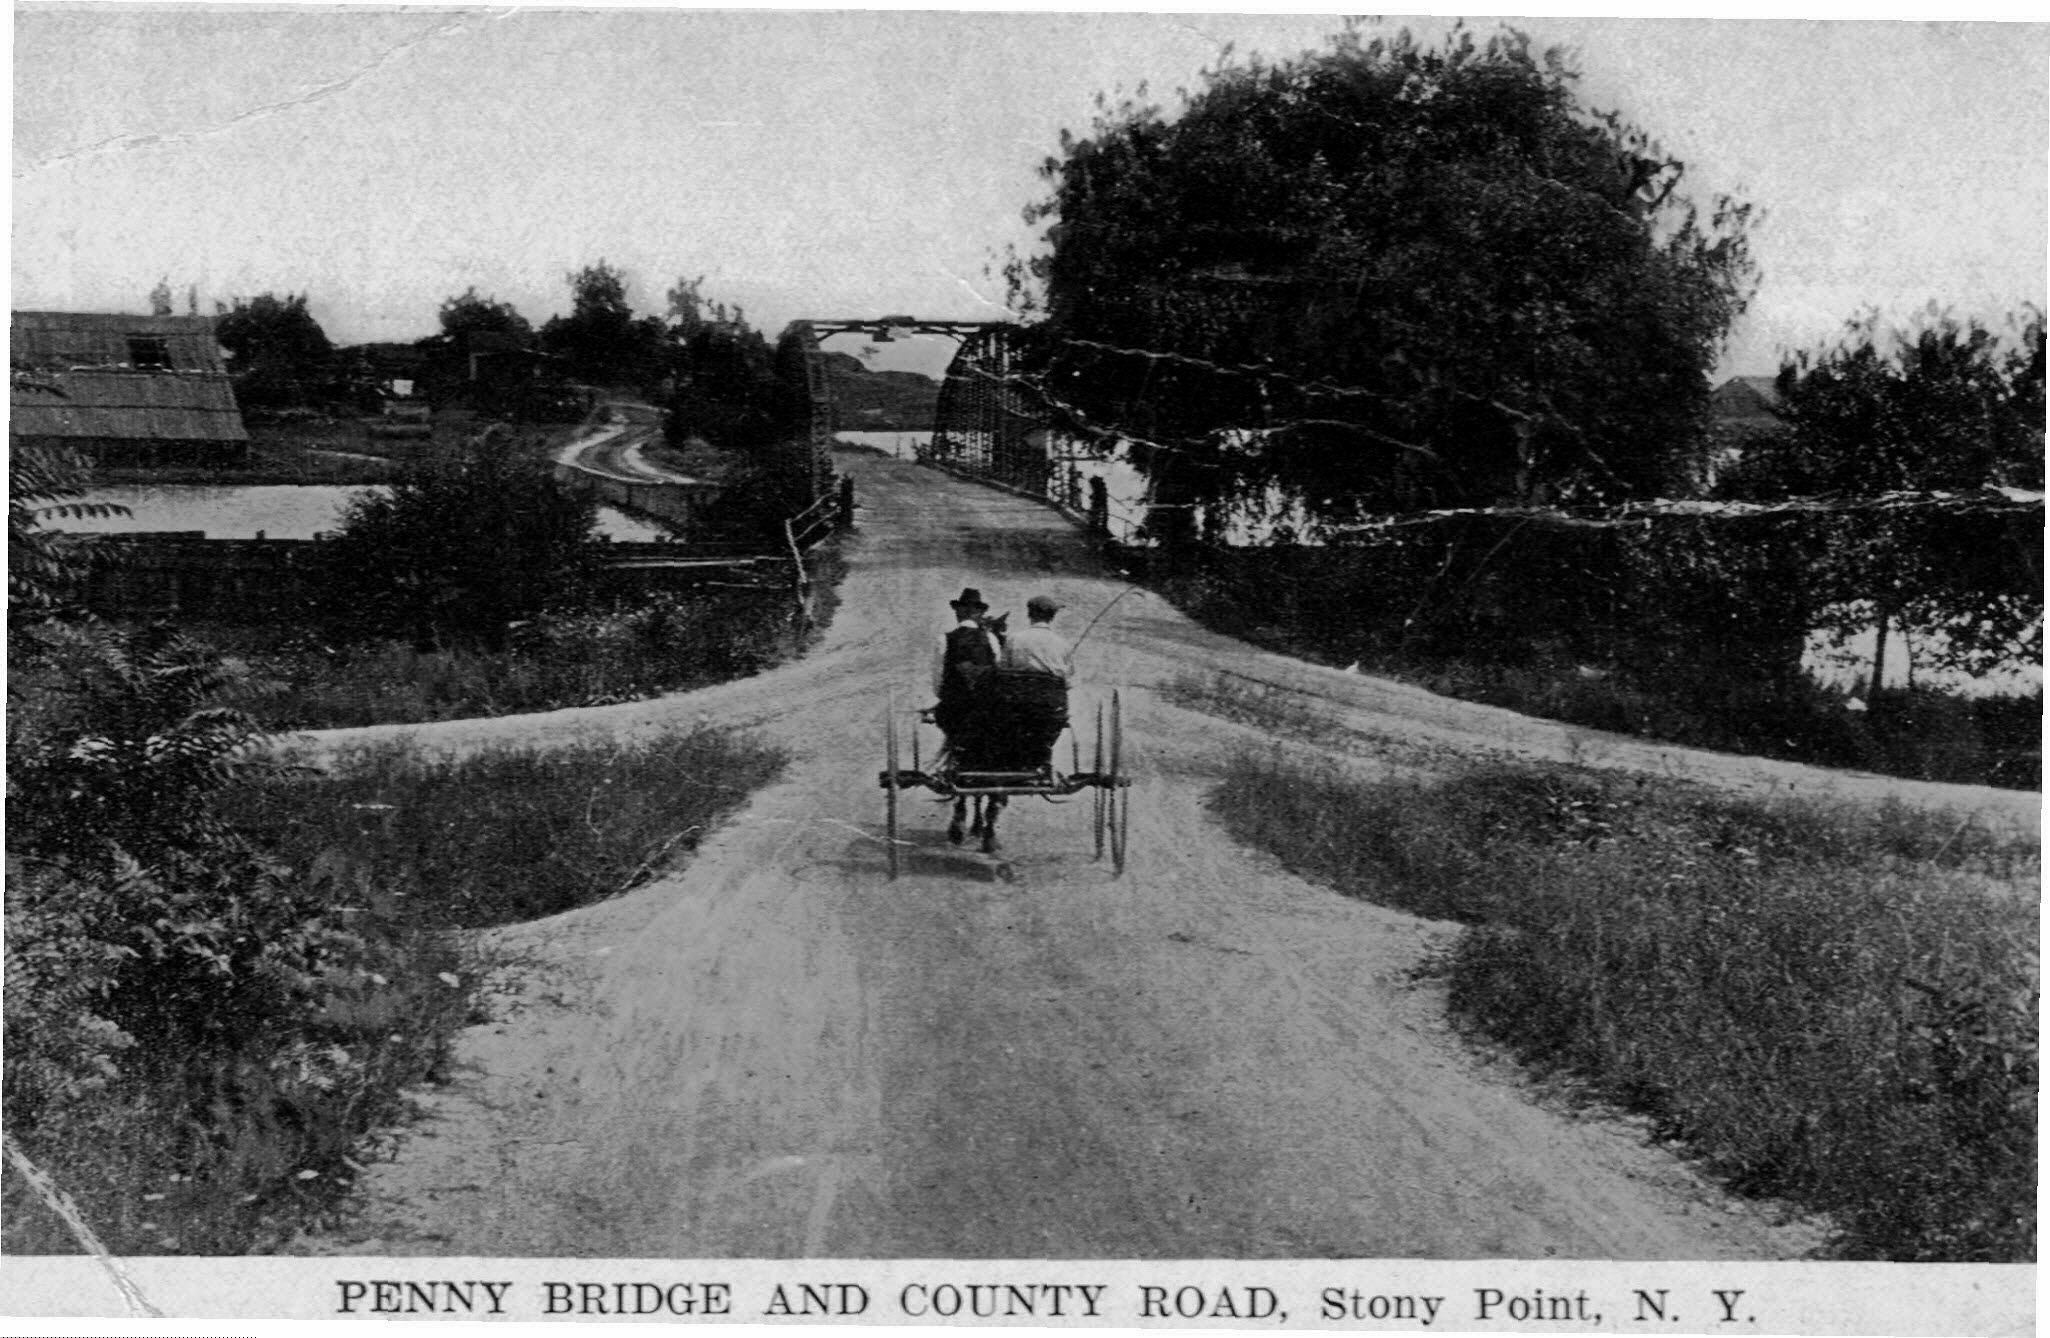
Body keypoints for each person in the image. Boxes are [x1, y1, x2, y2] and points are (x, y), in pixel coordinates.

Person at [993, 593, 1074, 772]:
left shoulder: (1015, 639)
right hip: (1050, 709)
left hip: (1017, 707)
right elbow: (1067, 682)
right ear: (1052, 617)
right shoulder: (1063, 644)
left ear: (1030, 614)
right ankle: (1039, 760)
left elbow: (1002, 670)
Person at [930, 586, 1000, 755]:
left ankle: (957, 752)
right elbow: (998, 672)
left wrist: (947, 696)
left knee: (949, 719)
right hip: (986, 709)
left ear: (958, 612)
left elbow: (938, 681)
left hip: (954, 708)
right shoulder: (990, 639)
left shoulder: (944, 639)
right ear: (979, 614)